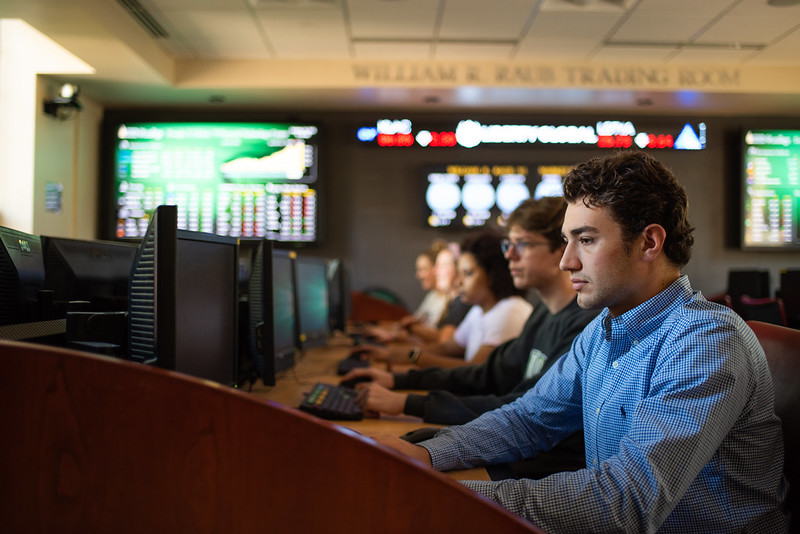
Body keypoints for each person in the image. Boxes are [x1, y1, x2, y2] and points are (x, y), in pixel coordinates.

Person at [372, 151, 789, 532]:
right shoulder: (603, 331)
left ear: (649, 242)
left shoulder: (705, 342)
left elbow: (625, 501)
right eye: (567, 240)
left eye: (586, 240)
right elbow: (528, 419)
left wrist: (454, 494)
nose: (566, 261)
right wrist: (429, 455)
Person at [344, 196, 598, 479]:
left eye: (522, 244)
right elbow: (486, 376)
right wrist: (401, 385)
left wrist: (410, 404)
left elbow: (528, 413)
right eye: (508, 245)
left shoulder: (586, 324)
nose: (509, 256)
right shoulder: (541, 315)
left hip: (542, 469)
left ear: (559, 250)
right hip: (522, 456)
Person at [355, 231, 533, 369]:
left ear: (492, 276)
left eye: (468, 273)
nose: (459, 281)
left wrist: (415, 358)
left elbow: (475, 371)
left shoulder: (508, 311)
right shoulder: (479, 310)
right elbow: (447, 348)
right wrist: (390, 353)